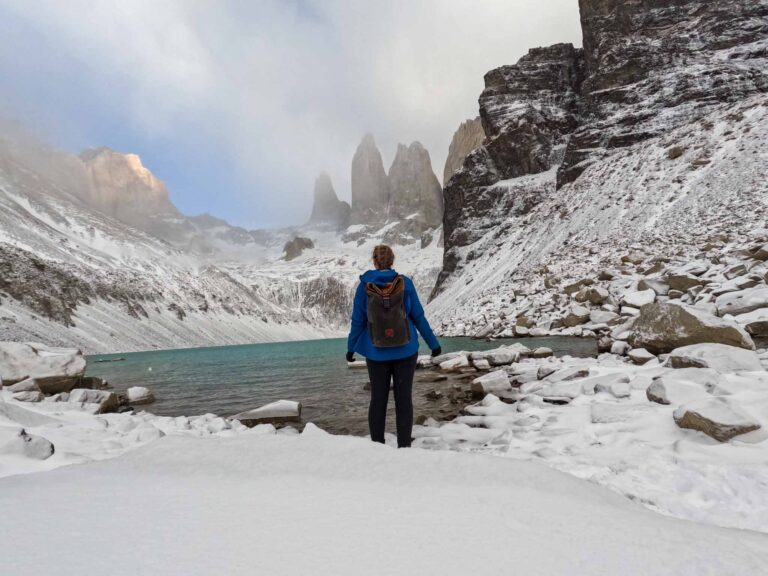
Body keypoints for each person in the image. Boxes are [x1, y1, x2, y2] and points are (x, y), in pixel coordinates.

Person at [346, 244, 441, 448]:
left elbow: (358, 321)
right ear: (392, 260)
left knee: (378, 400)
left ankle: (377, 447)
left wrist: (351, 347)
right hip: (406, 351)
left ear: (374, 261)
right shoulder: (405, 283)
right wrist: (434, 344)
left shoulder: (364, 286)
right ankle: (404, 447)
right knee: (403, 400)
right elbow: (418, 316)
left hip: (376, 352)